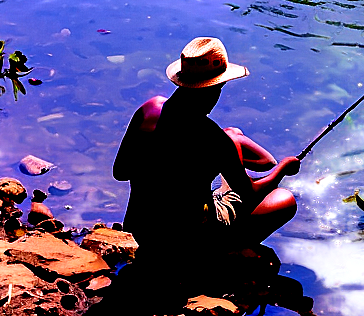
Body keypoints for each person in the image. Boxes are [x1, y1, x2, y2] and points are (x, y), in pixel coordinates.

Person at [113, 37, 300, 259]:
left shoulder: (149, 110)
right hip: (188, 242)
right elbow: (250, 195)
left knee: (232, 136)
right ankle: (225, 251)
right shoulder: (213, 139)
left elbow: (120, 172)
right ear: (217, 88)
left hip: (142, 231)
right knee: (284, 199)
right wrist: (283, 168)